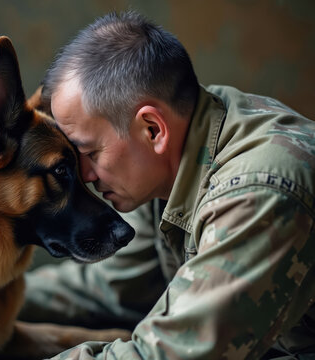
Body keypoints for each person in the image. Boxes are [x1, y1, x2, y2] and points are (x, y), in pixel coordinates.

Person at [19, 11, 315, 359]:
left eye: (88, 152)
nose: (84, 175)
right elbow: (114, 286)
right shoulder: (179, 150)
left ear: (153, 129)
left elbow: (166, 353)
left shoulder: (258, 194)